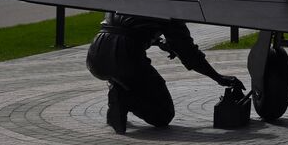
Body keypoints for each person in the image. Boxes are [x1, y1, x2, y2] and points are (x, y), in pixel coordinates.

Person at [87, 12, 243, 134]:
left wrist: (158, 41)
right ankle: (123, 98)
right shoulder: (170, 5)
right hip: (126, 57)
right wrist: (217, 77)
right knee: (163, 114)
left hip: (95, 54)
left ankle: (118, 89)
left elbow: (124, 27)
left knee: (122, 74)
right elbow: (189, 53)